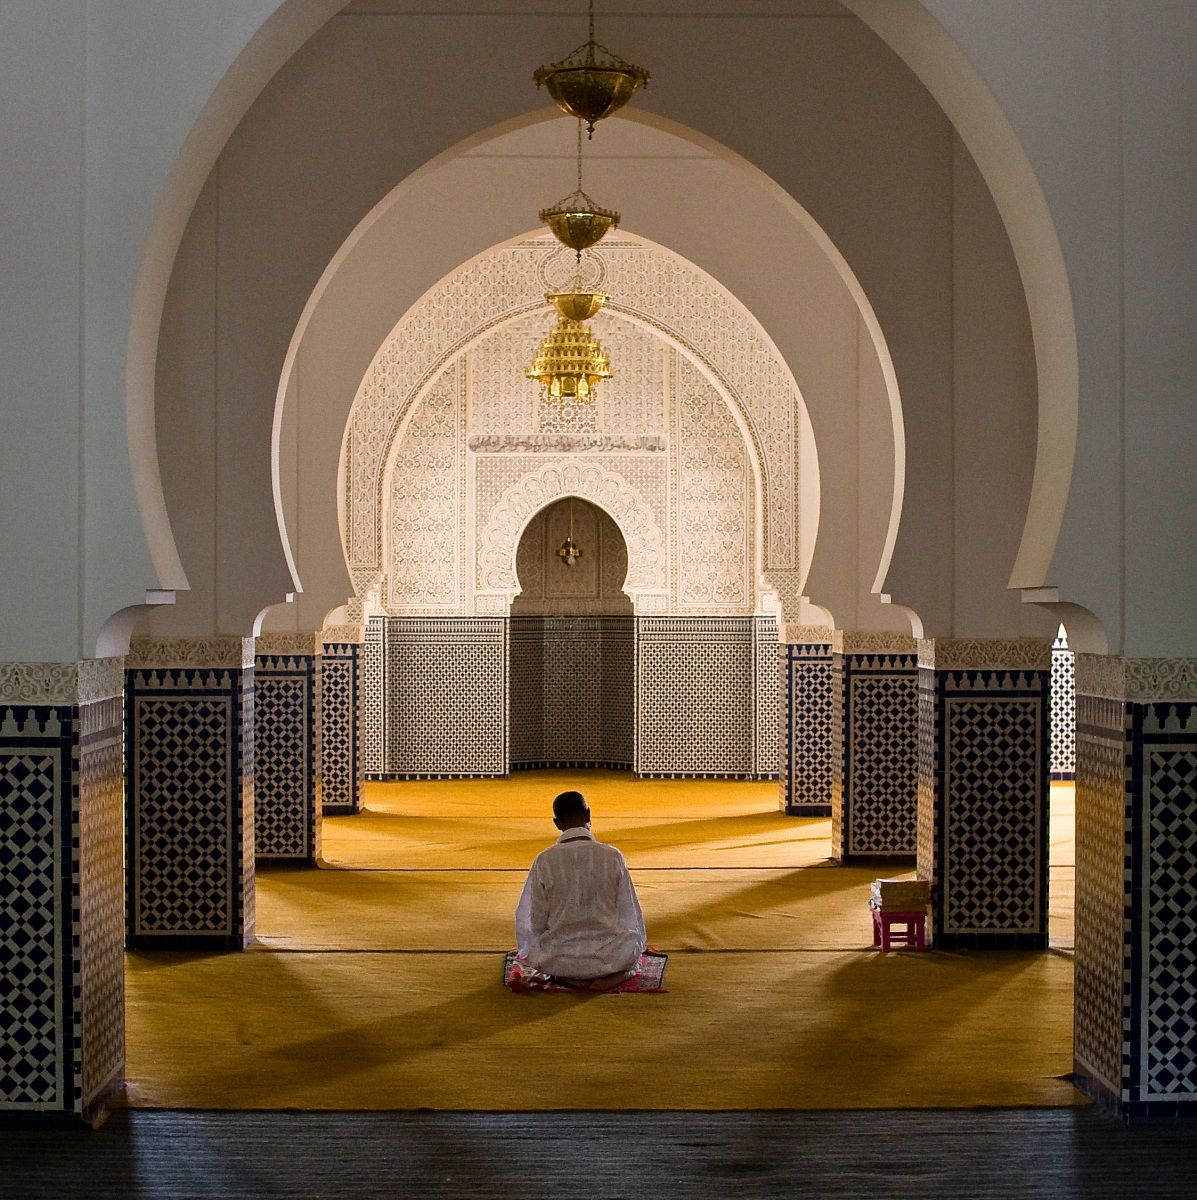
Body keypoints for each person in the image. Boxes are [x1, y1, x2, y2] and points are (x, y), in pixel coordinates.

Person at [515, 790, 646, 991]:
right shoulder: (612, 856)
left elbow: (535, 923)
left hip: (558, 959)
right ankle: (609, 977)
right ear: (588, 815)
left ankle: (569, 979)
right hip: (609, 957)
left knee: (533, 948)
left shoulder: (544, 860)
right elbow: (630, 916)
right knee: (633, 944)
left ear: (557, 823)